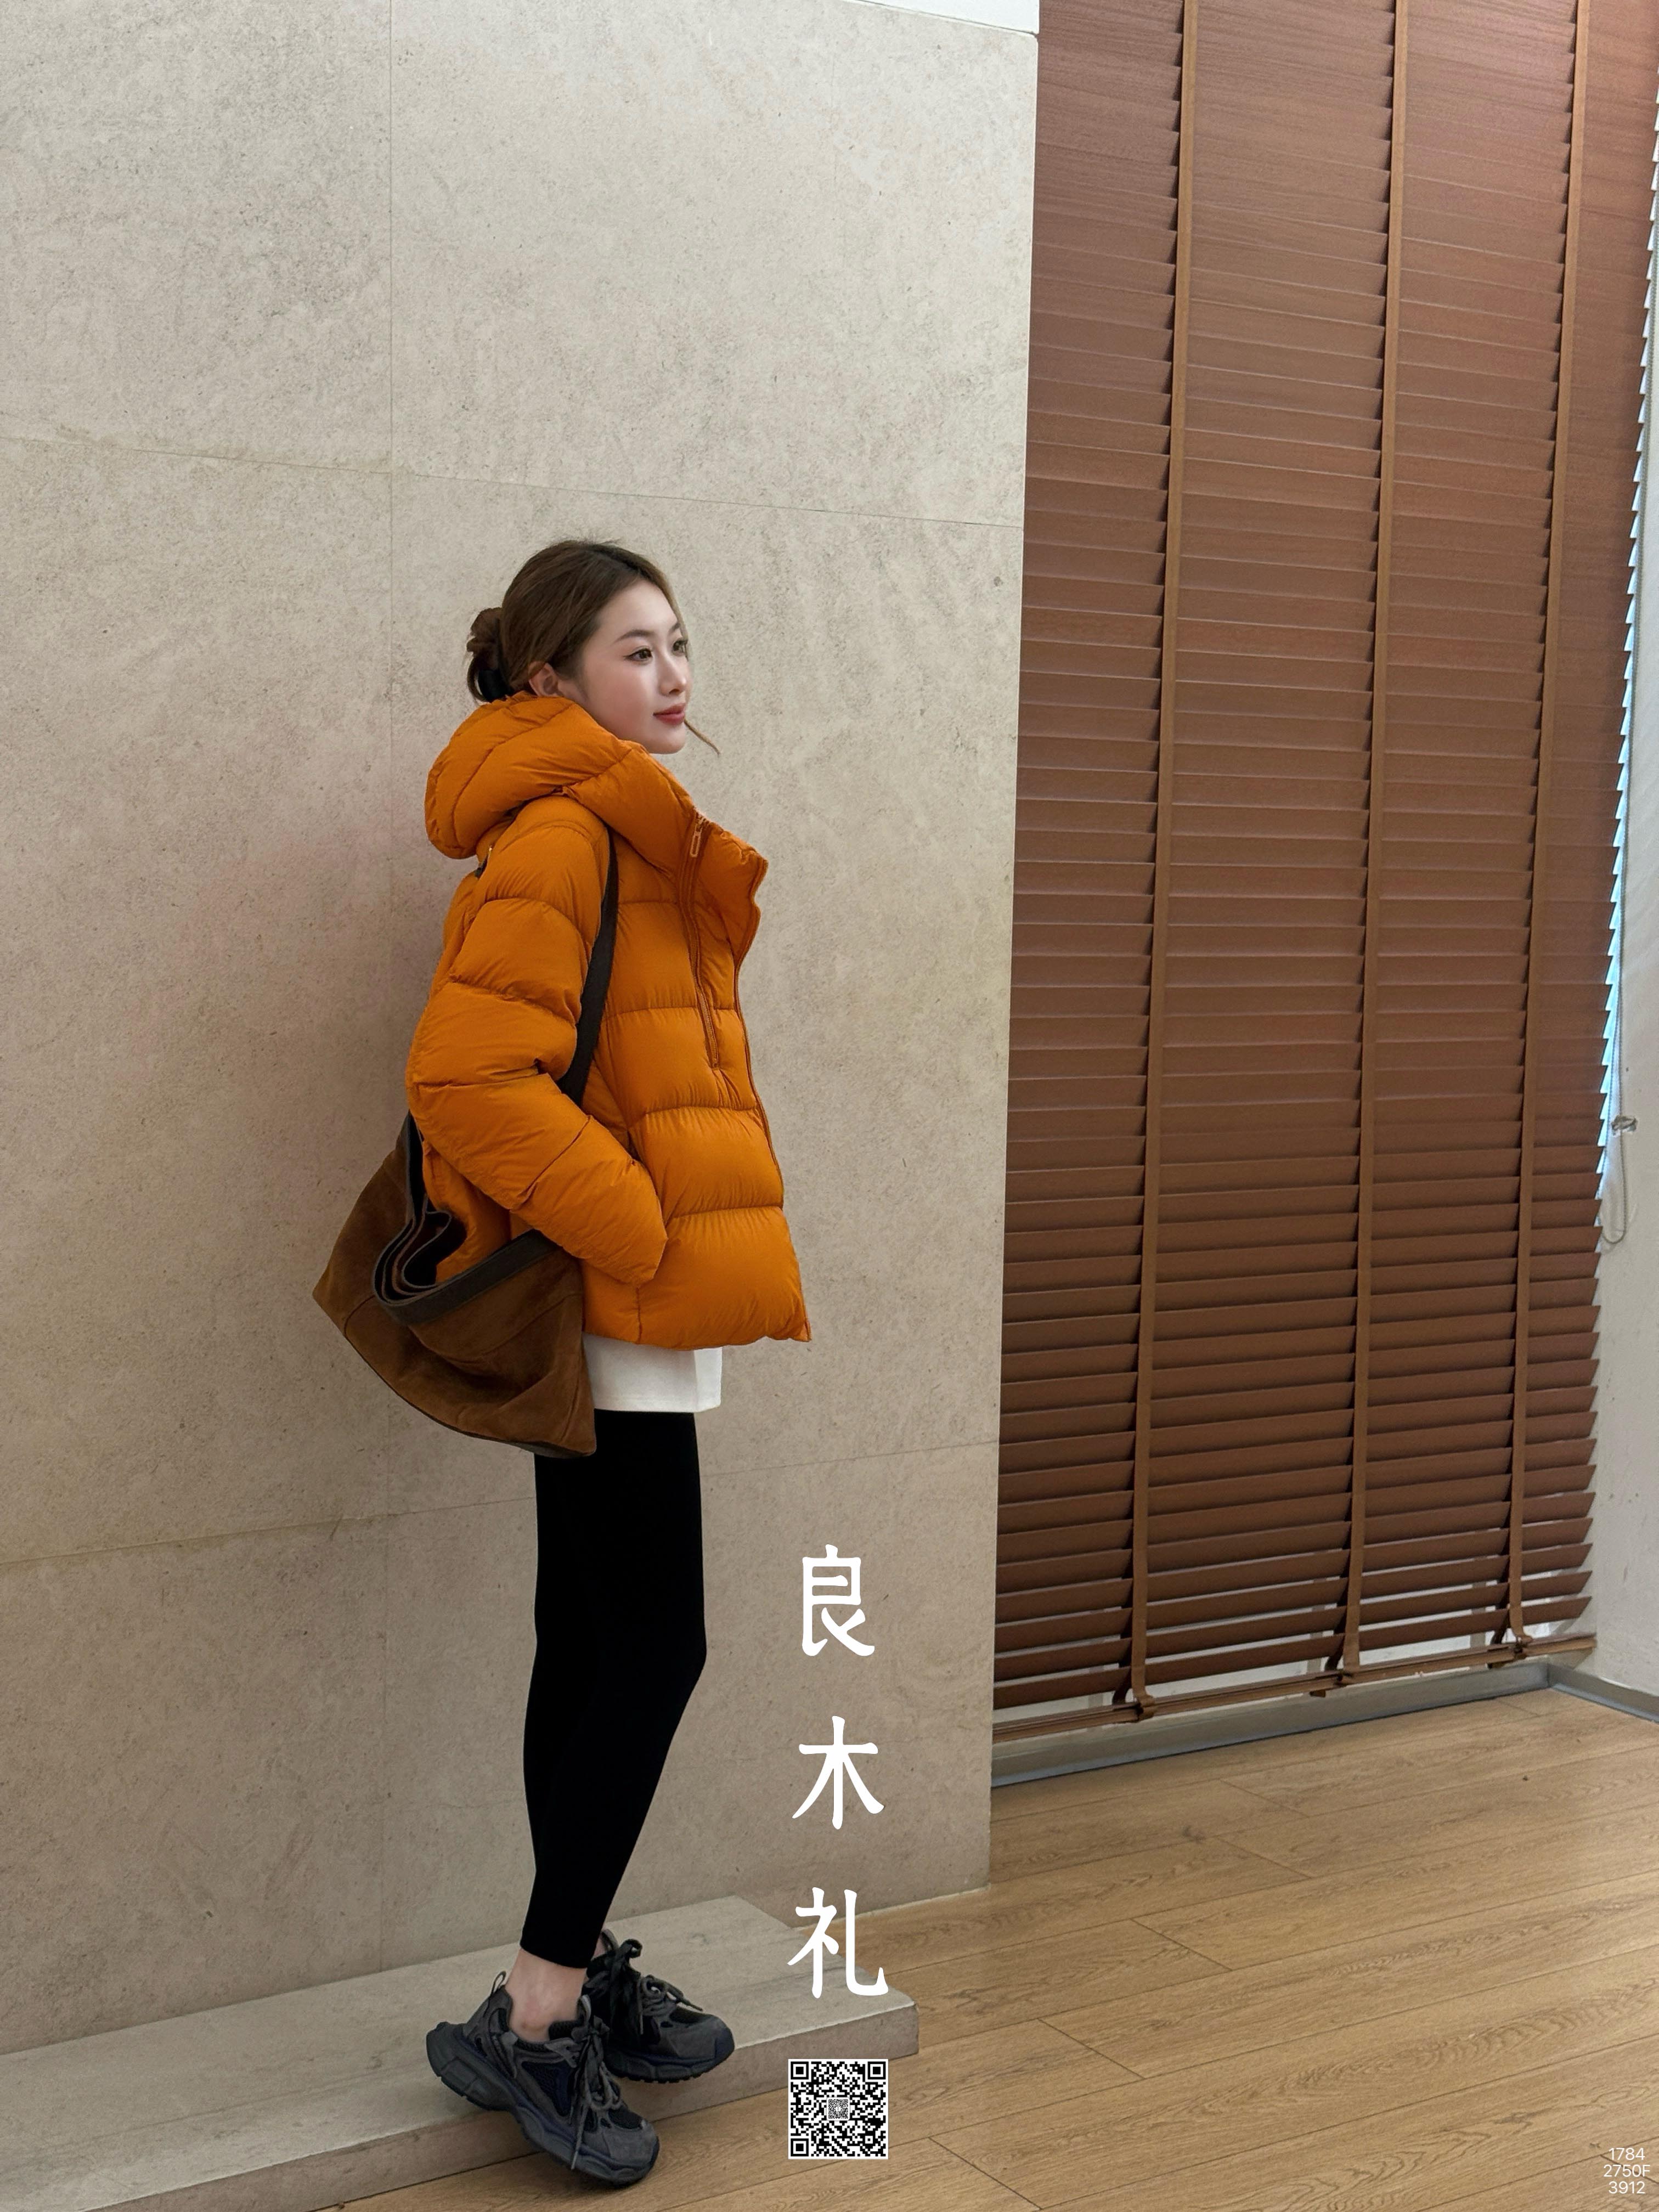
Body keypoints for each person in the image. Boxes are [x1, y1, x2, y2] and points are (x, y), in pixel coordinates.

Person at [415, 539, 811, 2185]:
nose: (673, 676)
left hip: (627, 1304)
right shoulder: (568, 830)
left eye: (679, 645)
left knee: (587, 1641)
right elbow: (468, 1077)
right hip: (606, 1302)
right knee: (656, 1646)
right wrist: (636, 1223)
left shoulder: (619, 820)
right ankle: (540, 2010)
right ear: (548, 677)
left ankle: (565, 1966)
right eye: (635, 650)